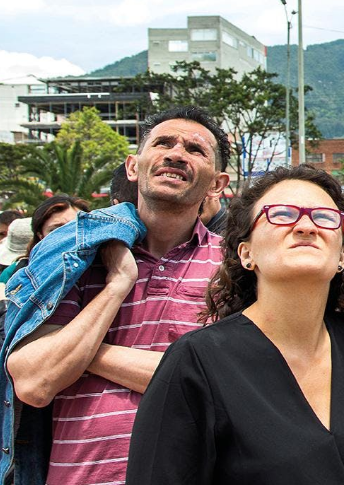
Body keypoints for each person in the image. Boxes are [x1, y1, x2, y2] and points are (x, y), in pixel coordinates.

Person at [2, 107, 231, 485]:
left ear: (217, 184)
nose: (175, 153)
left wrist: (80, 354)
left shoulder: (234, 267)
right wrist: (118, 284)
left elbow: (228, 385)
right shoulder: (76, 257)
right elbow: (35, 383)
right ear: (133, 166)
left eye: (195, 149)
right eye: (162, 143)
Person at [127, 165, 344, 483]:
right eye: (283, 214)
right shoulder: (196, 361)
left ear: (342, 254)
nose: (307, 226)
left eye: (325, 217)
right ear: (247, 253)